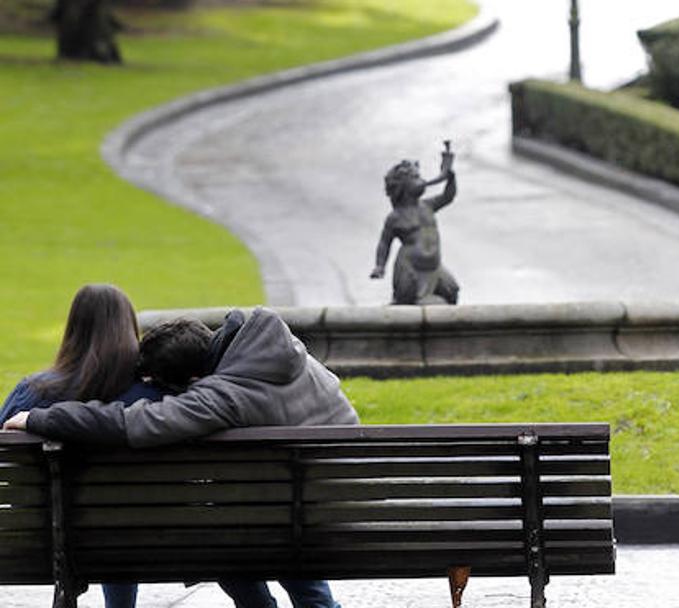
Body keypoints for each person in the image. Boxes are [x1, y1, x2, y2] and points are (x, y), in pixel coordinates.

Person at [6, 306, 358, 608]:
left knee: (234, 528)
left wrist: (40, 418)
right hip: (338, 497)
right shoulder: (277, 343)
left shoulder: (221, 396)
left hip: (294, 515)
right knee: (265, 512)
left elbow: (136, 423)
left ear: (191, 379)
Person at [0, 283, 161, 608]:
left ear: (73, 330)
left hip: (45, 534)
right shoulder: (156, 397)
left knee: (95, 522)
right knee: (119, 517)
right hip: (145, 535)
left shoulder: (33, 393)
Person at [370, 141, 460, 305]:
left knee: (452, 290)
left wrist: (451, 178)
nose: (421, 180)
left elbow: (448, 196)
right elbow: (384, 243)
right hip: (411, 267)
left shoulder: (427, 206)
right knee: (408, 297)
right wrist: (380, 266)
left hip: (434, 267)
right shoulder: (395, 217)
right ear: (403, 186)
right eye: (415, 177)